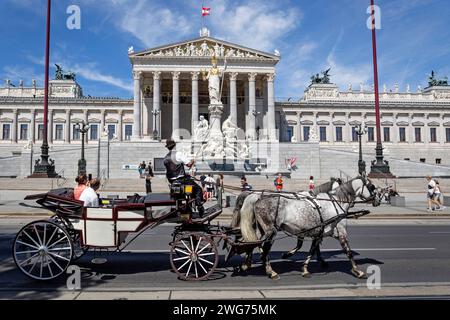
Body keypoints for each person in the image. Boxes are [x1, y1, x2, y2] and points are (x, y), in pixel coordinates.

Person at [163, 138, 205, 217]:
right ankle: (199, 206)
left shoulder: (165, 158)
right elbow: (188, 164)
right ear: (174, 145)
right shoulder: (178, 154)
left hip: (172, 183)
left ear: (168, 147)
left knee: (187, 190)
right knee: (198, 189)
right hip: (182, 181)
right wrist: (193, 161)